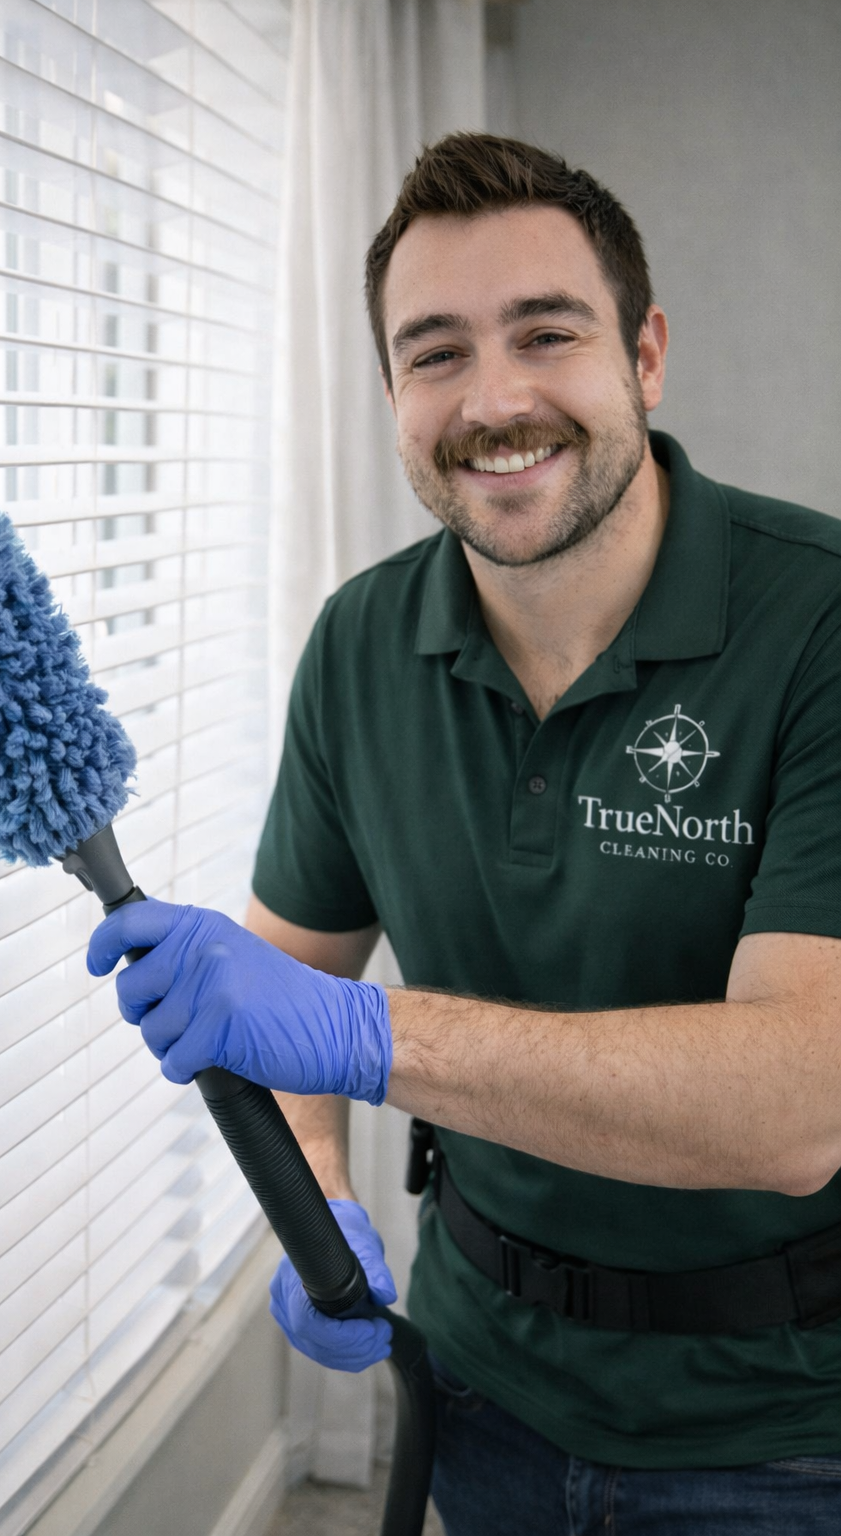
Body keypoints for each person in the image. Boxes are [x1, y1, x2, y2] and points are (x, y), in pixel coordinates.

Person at [88, 135, 841, 1533]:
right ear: (390, 396)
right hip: (475, 1381)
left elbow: (804, 1103)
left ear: (645, 356)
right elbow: (286, 986)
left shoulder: (820, 627)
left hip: (781, 1429)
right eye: (434, 354)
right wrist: (318, 1203)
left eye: (546, 333)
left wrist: (375, 1040)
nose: (494, 401)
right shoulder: (362, 644)